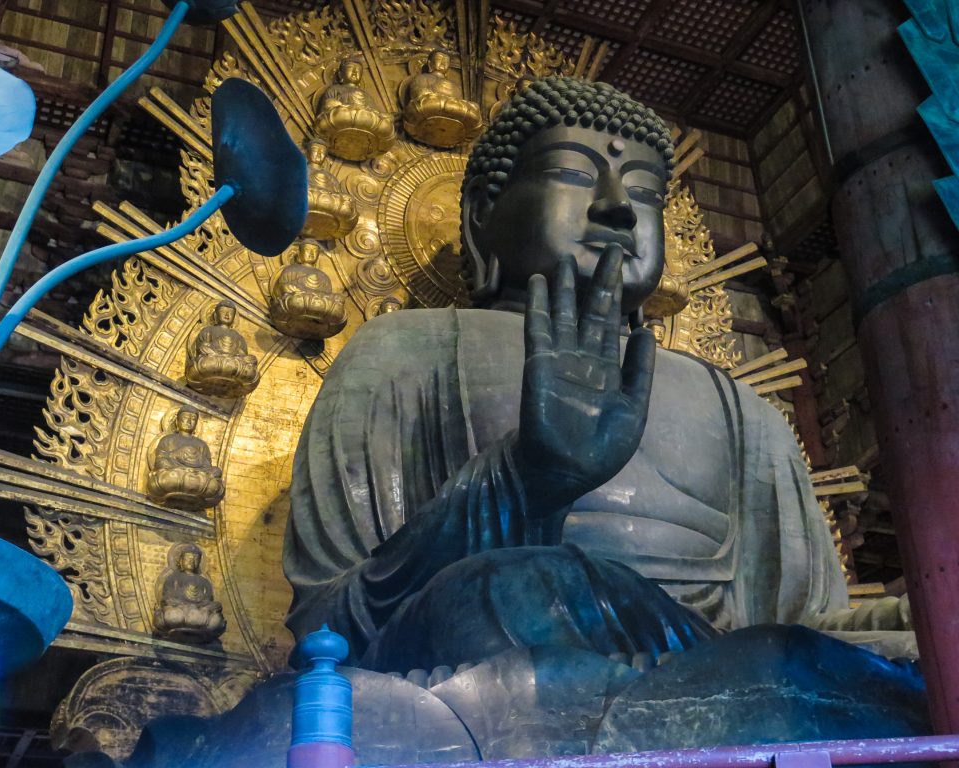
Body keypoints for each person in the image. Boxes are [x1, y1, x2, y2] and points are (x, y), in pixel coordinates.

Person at [283, 76, 850, 673]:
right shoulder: (403, 350)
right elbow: (325, 629)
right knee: (518, 588)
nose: (616, 207)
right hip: (482, 666)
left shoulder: (743, 411)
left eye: (644, 190)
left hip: (722, 675)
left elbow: (809, 631)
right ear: (482, 216)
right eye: (576, 175)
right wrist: (524, 479)